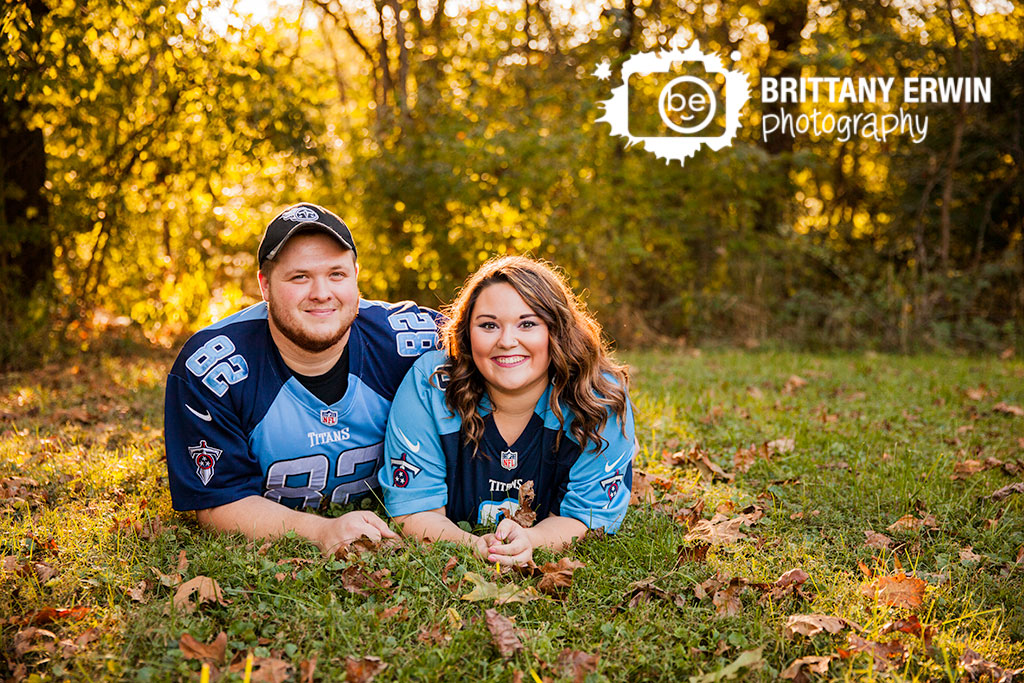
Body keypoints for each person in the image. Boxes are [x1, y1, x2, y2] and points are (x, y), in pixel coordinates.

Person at [164, 203, 440, 556]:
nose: (321, 292)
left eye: (336, 274)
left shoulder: (408, 339)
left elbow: (505, 346)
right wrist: (320, 530)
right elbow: (219, 501)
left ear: (356, 276)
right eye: (299, 277)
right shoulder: (215, 365)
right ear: (264, 286)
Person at [378, 256, 635, 566]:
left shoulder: (596, 396)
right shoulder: (430, 385)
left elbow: (587, 516)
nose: (507, 341)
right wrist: (472, 545)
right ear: (466, 333)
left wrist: (534, 540)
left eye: (527, 323)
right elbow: (413, 508)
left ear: (557, 330)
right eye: (488, 325)